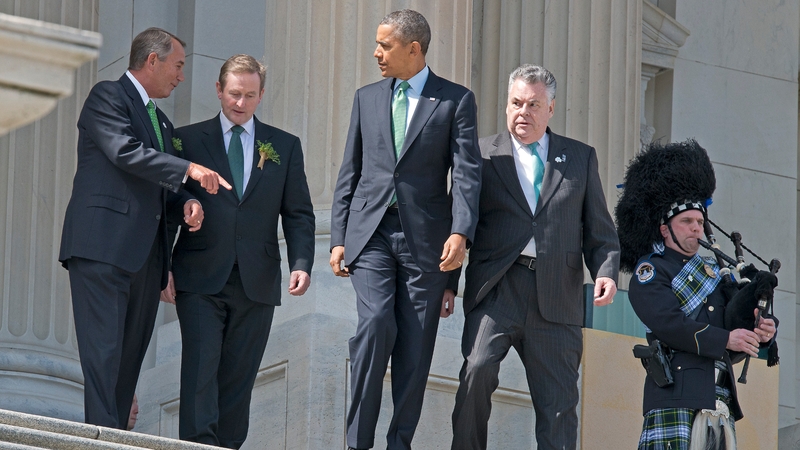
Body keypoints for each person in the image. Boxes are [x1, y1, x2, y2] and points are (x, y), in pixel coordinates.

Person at [58, 27, 230, 429]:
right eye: (178, 65)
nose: (182, 76)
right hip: (101, 248)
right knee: (104, 354)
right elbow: (124, 151)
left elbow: (158, 185)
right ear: (152, 60)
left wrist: (186, 199)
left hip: (145, 260)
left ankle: (114, 432)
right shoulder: (107, 96)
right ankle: (100, 437)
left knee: (129, 357)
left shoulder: (163, 124)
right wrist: (187, 168)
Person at [329, 9, 482, 450]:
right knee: (375, 323)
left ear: (413, 49)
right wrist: (339, 238)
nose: (377, 53)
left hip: (427, 245)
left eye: (385, 45)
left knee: (415, 352)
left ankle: (400, 443)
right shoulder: (367, 97)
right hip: (371, 234)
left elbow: (467, 176)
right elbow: (349, 173)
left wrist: (461, 234)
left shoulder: (455, 100)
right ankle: (357, 442)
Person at [450, 64, 620, 450]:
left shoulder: (580, 158)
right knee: (476, 371)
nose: (522, 112)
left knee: (559, 405)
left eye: (532, 104)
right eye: (515, 103)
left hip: (557, 298)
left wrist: (606, 271)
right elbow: (458, 225)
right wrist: (447, 285)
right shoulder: (481, 154)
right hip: (498, 289)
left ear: (551, 109)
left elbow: (600, 231)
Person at [167, 54, 315, 449]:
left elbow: (299, 212)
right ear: (218, 90)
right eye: (234, 94)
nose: (240, 103)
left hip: (257, 281)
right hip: (199, 276)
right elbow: (165, 202)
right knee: (199, 370)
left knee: (239, 378)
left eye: (250, 95)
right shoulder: (186, 140)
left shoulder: (284, 145)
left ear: (261, 95)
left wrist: (301, 262)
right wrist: (163, 263)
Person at [616, 140, 778, 450]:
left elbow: (733, 323)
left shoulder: (714, 274)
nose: (696, 229)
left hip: (719, 398)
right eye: (687, 222)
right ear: (665, 229)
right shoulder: (652, 270)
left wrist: (763, 328)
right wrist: (724, 340)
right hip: (676, 396)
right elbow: (667, 323)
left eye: (700, 222)